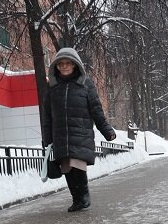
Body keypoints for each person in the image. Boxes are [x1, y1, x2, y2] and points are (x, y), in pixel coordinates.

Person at [42, 47, 117, 212]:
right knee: (67, 168)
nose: (64, 66)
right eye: (60, 64)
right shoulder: (52, 87)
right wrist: (46, 141)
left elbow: (96, 109)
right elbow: (47, 116)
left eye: (68, 63)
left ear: (75, 65)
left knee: (77, 165)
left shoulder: (85, 84)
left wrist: (106, 130)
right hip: (60, 135)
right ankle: (76, 199)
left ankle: (84, 196)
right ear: (56, 66)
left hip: (81, 133)